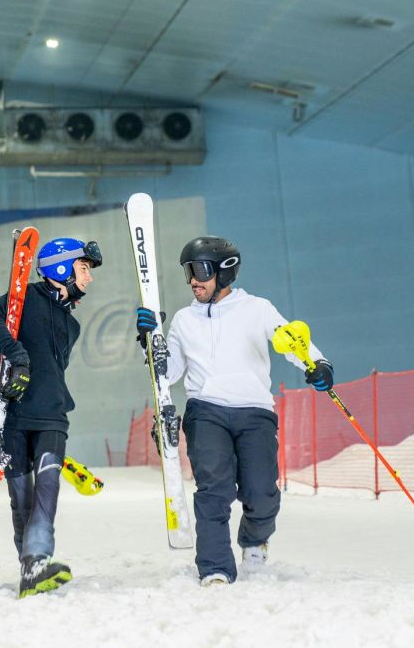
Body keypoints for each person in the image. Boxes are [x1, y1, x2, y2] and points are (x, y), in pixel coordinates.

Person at [135, 236, 333, 587]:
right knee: (214, 490)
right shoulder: (183, 320)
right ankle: (214, 567)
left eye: (199, 270)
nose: (193, 280)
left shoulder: (257, 308)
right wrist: (151, 344)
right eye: (188, 272)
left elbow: (289, 340)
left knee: (262, 493)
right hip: (206, 410)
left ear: (224, 272)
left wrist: (316, 364)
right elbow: (167, 374)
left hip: (254, 410)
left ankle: (255, 538)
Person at [0, 237, 101, 598]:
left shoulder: (72, 325)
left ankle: (36, 561)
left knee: (47, 489)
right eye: (83, 269)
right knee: (22, 498)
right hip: (13, 416)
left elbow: (53, 369)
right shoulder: (23, 299)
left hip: (51, 416)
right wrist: (17, 357)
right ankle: (29, 569)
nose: (89, 278)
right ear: (61, 267)